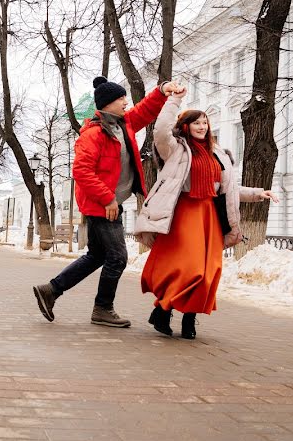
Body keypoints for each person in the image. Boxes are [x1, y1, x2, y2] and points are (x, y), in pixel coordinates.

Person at [32, 76, 184, 327]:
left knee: (97, 255)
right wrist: (108, 199)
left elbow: (145, 111)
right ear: (107, 103)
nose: (126, 102)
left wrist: (162, 91)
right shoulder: (93, 135)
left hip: (109, 203)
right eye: (121, 98)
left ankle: (50, 290)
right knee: (117, 257)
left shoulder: (122, 125)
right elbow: (82, 171)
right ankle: (102, 308)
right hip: (101, 205)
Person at [135, 91, 277, 339]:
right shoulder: (175, 150)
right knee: (189, 268)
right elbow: (160, 131)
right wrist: (173, 100)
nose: (202, 126)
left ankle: (189, 320)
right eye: (196, 122)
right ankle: (163, 310)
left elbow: (228, 189)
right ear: (185, 126)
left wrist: (257, 193)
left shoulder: (218, 153)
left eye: (205, 122)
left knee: (209, 269)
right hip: (185, 213)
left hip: (210, 215)